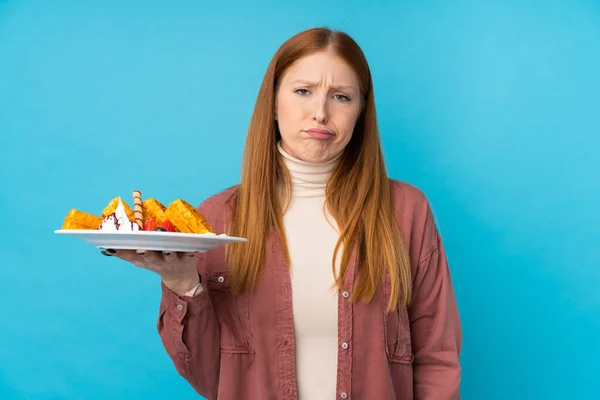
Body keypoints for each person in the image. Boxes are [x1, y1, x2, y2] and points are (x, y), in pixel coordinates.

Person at [105, 27, 462, 400]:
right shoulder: (218, 218)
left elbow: (438, 357)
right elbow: (215, 379)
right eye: (303, 91)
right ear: (273, 103)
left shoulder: (406, 211)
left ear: (361, 111)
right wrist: (182, 283)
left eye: (340, 96)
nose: (321, 113)